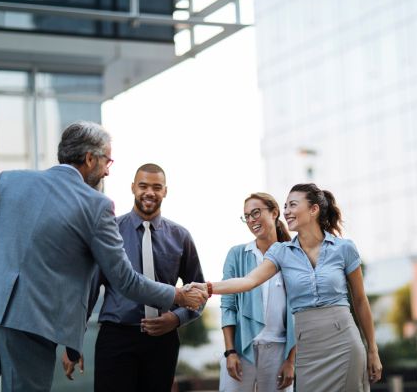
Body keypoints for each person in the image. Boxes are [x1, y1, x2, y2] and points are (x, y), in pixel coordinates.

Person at [0, 121, 207, 392]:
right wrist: (177, 296)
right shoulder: (97, 205)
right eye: (108, 161)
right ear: (89, 159)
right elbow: (125, 280)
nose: (108, 170)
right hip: (31, 324)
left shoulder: (9, 180)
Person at [191, 183, 382, 392]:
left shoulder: (344, 248)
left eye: (292, 205)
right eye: (285, 206)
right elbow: (248, 281)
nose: (286, 212)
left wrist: (373, 349)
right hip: (307, 347)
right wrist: (208, 287)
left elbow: (361, 301)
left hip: (344, 340)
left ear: (313, 209)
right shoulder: (281, 252)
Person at [78, 163, 205, 392]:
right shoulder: (111, 231)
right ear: (133, 187)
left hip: (162, 341)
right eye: (143, 186)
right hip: (116, 337)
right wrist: (74, 341)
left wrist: (176, 319)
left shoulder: (181, 237)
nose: (150, 192)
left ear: (165, 191)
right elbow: (89, 290)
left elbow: (199, 294)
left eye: (157, 187)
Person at [220, 192, 296, 392]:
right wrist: (230, 352)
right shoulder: (237, 255)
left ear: (274, 213)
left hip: (279, 351)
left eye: (256, 212)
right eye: (247, 216)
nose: (252, 220)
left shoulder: (293, 255)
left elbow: (299, 310)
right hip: (241, 349)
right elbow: (227, 306)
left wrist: (291, 360)